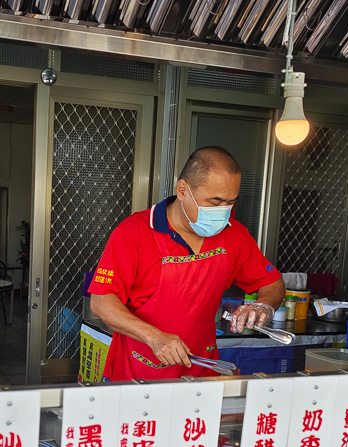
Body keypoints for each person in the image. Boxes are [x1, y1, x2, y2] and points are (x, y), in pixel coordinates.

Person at [88, 146, 285, 380]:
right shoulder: (134, 232)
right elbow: (102, 302)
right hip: (139, 371)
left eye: (230, 203)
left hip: (203, 369)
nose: (223, 212)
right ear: (182, 190)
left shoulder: (235, 235)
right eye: (215, 202)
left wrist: (264, 306)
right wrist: (153, 337)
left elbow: (273, 284)